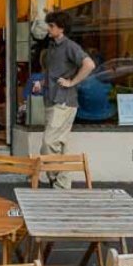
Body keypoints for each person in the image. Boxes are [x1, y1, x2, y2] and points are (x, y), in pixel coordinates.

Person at [32, 11, 95, 189]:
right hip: (52, 99)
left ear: (62, 28)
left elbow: (89, 64)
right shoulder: (52, 47)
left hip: (64, 101)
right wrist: (42, 83)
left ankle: (57, 180)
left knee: (49, 143)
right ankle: (61, 185)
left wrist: (72, 82)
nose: (48, 28)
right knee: (59, 144)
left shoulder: (70, 46)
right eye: (49, 25)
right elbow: (52, 72)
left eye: (51, 25)